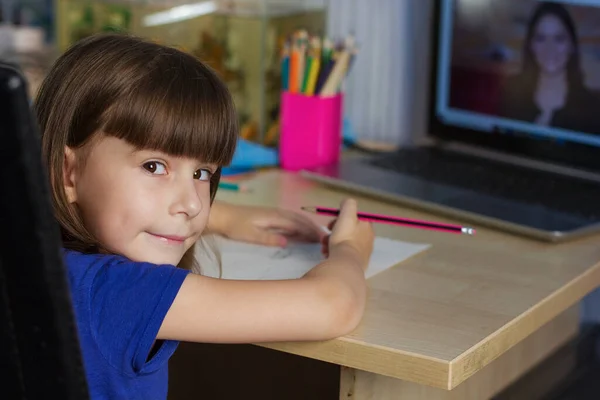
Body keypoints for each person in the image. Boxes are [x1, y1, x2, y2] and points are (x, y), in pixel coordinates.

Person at [35, 33, 374, 400]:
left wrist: (226, 217)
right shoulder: (117, 294)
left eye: (202, 174)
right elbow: (333, 305)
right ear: (68, 173)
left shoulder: (35, 252)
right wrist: (349, 250)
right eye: (154, 166)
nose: (193, 205)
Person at [499, 2, 598, 134]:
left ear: (572, 46)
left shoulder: (592, 107)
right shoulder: (510, 92)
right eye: (541, 38)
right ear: (531, 45)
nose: (549, 48)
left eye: (559, 38)